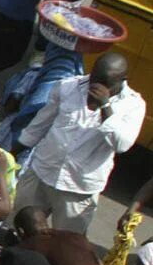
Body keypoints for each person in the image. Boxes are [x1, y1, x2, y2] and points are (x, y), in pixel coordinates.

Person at [22, 52, 145, 232]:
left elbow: (121, 145)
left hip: (77, 187)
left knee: (67, 243)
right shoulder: (68, 86)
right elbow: (40, 123)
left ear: (122, 80)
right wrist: (15, 149)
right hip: (42, 172)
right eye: (95, 78)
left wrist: (105, 106)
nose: (97, 85)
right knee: (23, 228)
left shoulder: (133, 105)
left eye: (106, 82)